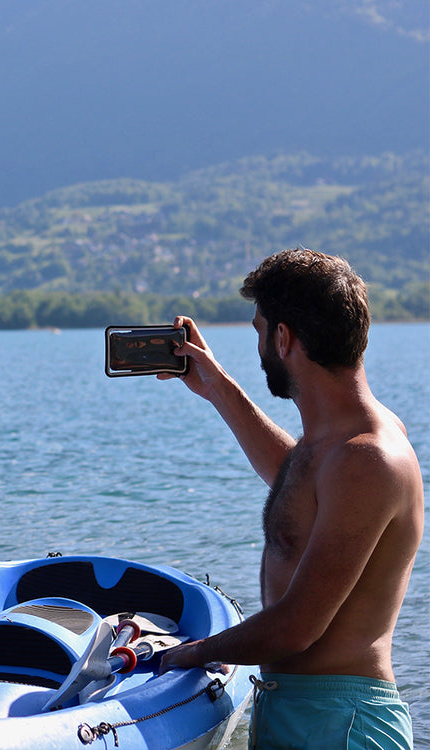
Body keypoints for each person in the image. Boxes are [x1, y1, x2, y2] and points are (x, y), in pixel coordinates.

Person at [157, 248, 423, 749]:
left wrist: (187, 654)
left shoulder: (369, 459)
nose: (259, 348)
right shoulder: (336, 449)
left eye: (260, 330)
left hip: (341, 723)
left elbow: (298, 626)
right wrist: (216, 386)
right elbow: (294, 484)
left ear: (284, 338)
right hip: (298, 708)